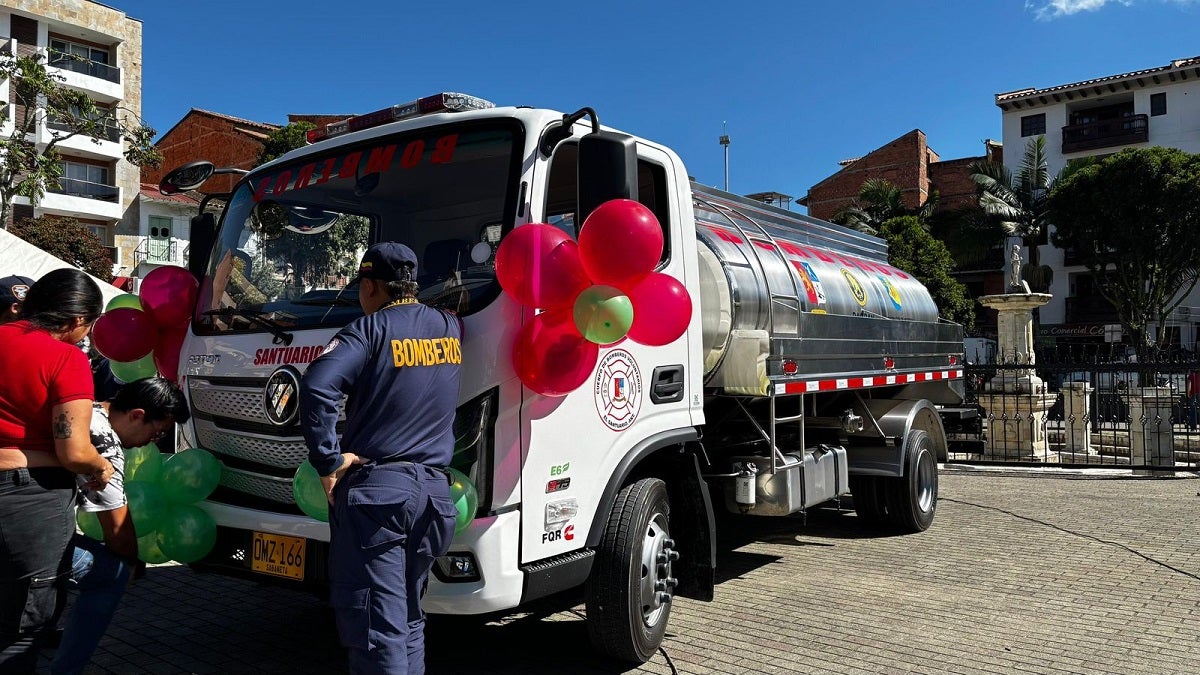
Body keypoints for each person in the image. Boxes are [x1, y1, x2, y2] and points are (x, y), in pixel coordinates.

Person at [300, 242, 463, 675]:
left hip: (379, 501)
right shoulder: (450, 328)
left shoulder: (368, 330)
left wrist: (327, 462)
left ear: (371, 286)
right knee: (408, 620)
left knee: (375, 627)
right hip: (434, 498)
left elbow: (317, 388)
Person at [0, 269, 113, 673]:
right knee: (23, 626)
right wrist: (101, 468)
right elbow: (74, 451)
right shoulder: (65, 357)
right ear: (77, 319)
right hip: (27, 499)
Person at [51, 377, 188, 675]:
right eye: (156, 432)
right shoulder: (105, 443)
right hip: (24, 531)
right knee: (111, 573)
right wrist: (133, 564)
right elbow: (117, 531)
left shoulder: (84, 410)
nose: (153, 441)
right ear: (137, 415)